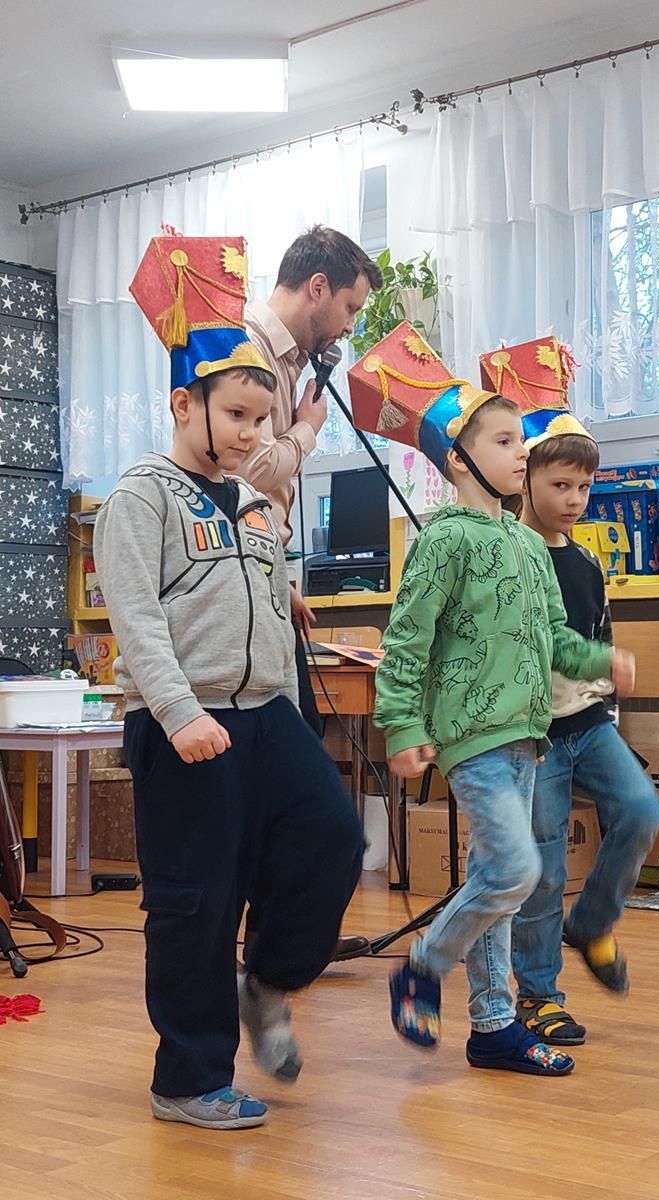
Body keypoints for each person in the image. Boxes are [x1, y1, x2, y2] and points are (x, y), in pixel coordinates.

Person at [95, 235, 363, 1130]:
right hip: (186, 722)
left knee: (332, 837)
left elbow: (239, 589)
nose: (254, 434)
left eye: (262, 417)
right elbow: (136, 616)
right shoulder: (142, 494)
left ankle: (269, 980)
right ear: (186, 404)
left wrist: (275, 596)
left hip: (266, 712)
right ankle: (187, 1078)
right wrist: (177, 713)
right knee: (196, 901)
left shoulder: (250, 500)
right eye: (239, 416)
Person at [348, 323, 635, 1077]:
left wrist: (601, 661)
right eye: (506, 442)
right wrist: (401, 725)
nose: (520, 453)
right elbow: (406, 641)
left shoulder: (528, 546)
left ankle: (494, 1025)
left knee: (496, 882)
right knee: (514, 872)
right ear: (459, 457)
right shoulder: (443, 540)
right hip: (472, 738)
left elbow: (555, 640)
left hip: (526, 738)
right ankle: (423, 965)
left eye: (520, 441)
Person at [478, 337, 659, 1048]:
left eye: (583, 488)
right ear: (525, 481)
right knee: (545, 868)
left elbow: (596, 632)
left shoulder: (586, 561)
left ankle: (593, 923)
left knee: (641, 809)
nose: (574, 501)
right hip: (535, 737)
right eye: (560, 486)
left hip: (588, 724)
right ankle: (538, 995)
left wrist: (608, 689)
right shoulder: (507, 553)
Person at [240, 226, 382, 963]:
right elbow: (251, 469)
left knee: (302, 743)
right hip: (237, 595)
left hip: (266, 582)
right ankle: (277, 942)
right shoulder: (248, 348)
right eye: (350, 308)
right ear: (317, 288)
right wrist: (306, 429)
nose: (351, 326)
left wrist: (285, 581)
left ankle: (281, 936)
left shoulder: (291, 361)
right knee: (291, 763)